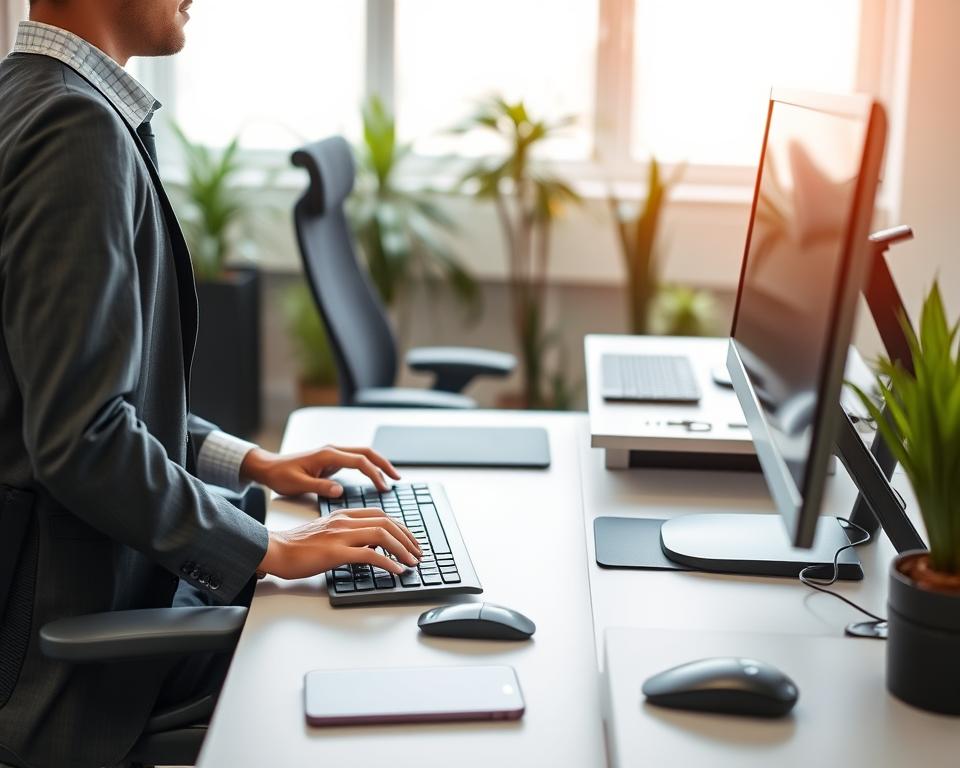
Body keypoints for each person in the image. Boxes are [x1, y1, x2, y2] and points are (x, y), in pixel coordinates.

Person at [0, 2, 421, 766]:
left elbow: (71, 387)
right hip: (76, 644)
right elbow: (81, 440)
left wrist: (251, 463)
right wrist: (266, 548)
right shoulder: (74, 132)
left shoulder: (27, 97)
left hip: (101, 581)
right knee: (363, 657)